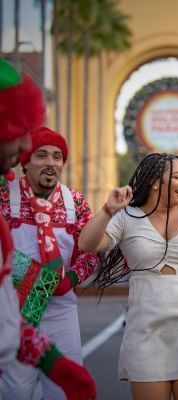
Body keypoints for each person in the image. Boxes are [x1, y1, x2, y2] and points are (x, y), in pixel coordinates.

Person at [78, 153, 178, 400]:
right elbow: (87, 244)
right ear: (154, 182)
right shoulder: (126, 218)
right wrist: (108, 209)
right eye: (177, 176)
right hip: (146, 333)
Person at [0, 59, 96, 399]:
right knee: (16, 391)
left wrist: (71, 278)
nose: (52, 163)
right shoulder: (4, 193)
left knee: (64, 391)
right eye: (42, 155)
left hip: (61, 310)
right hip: (15, 307)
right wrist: (34, 283)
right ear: (25, 158)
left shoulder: (75, 201)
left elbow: (91, 252)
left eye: (58, 156)